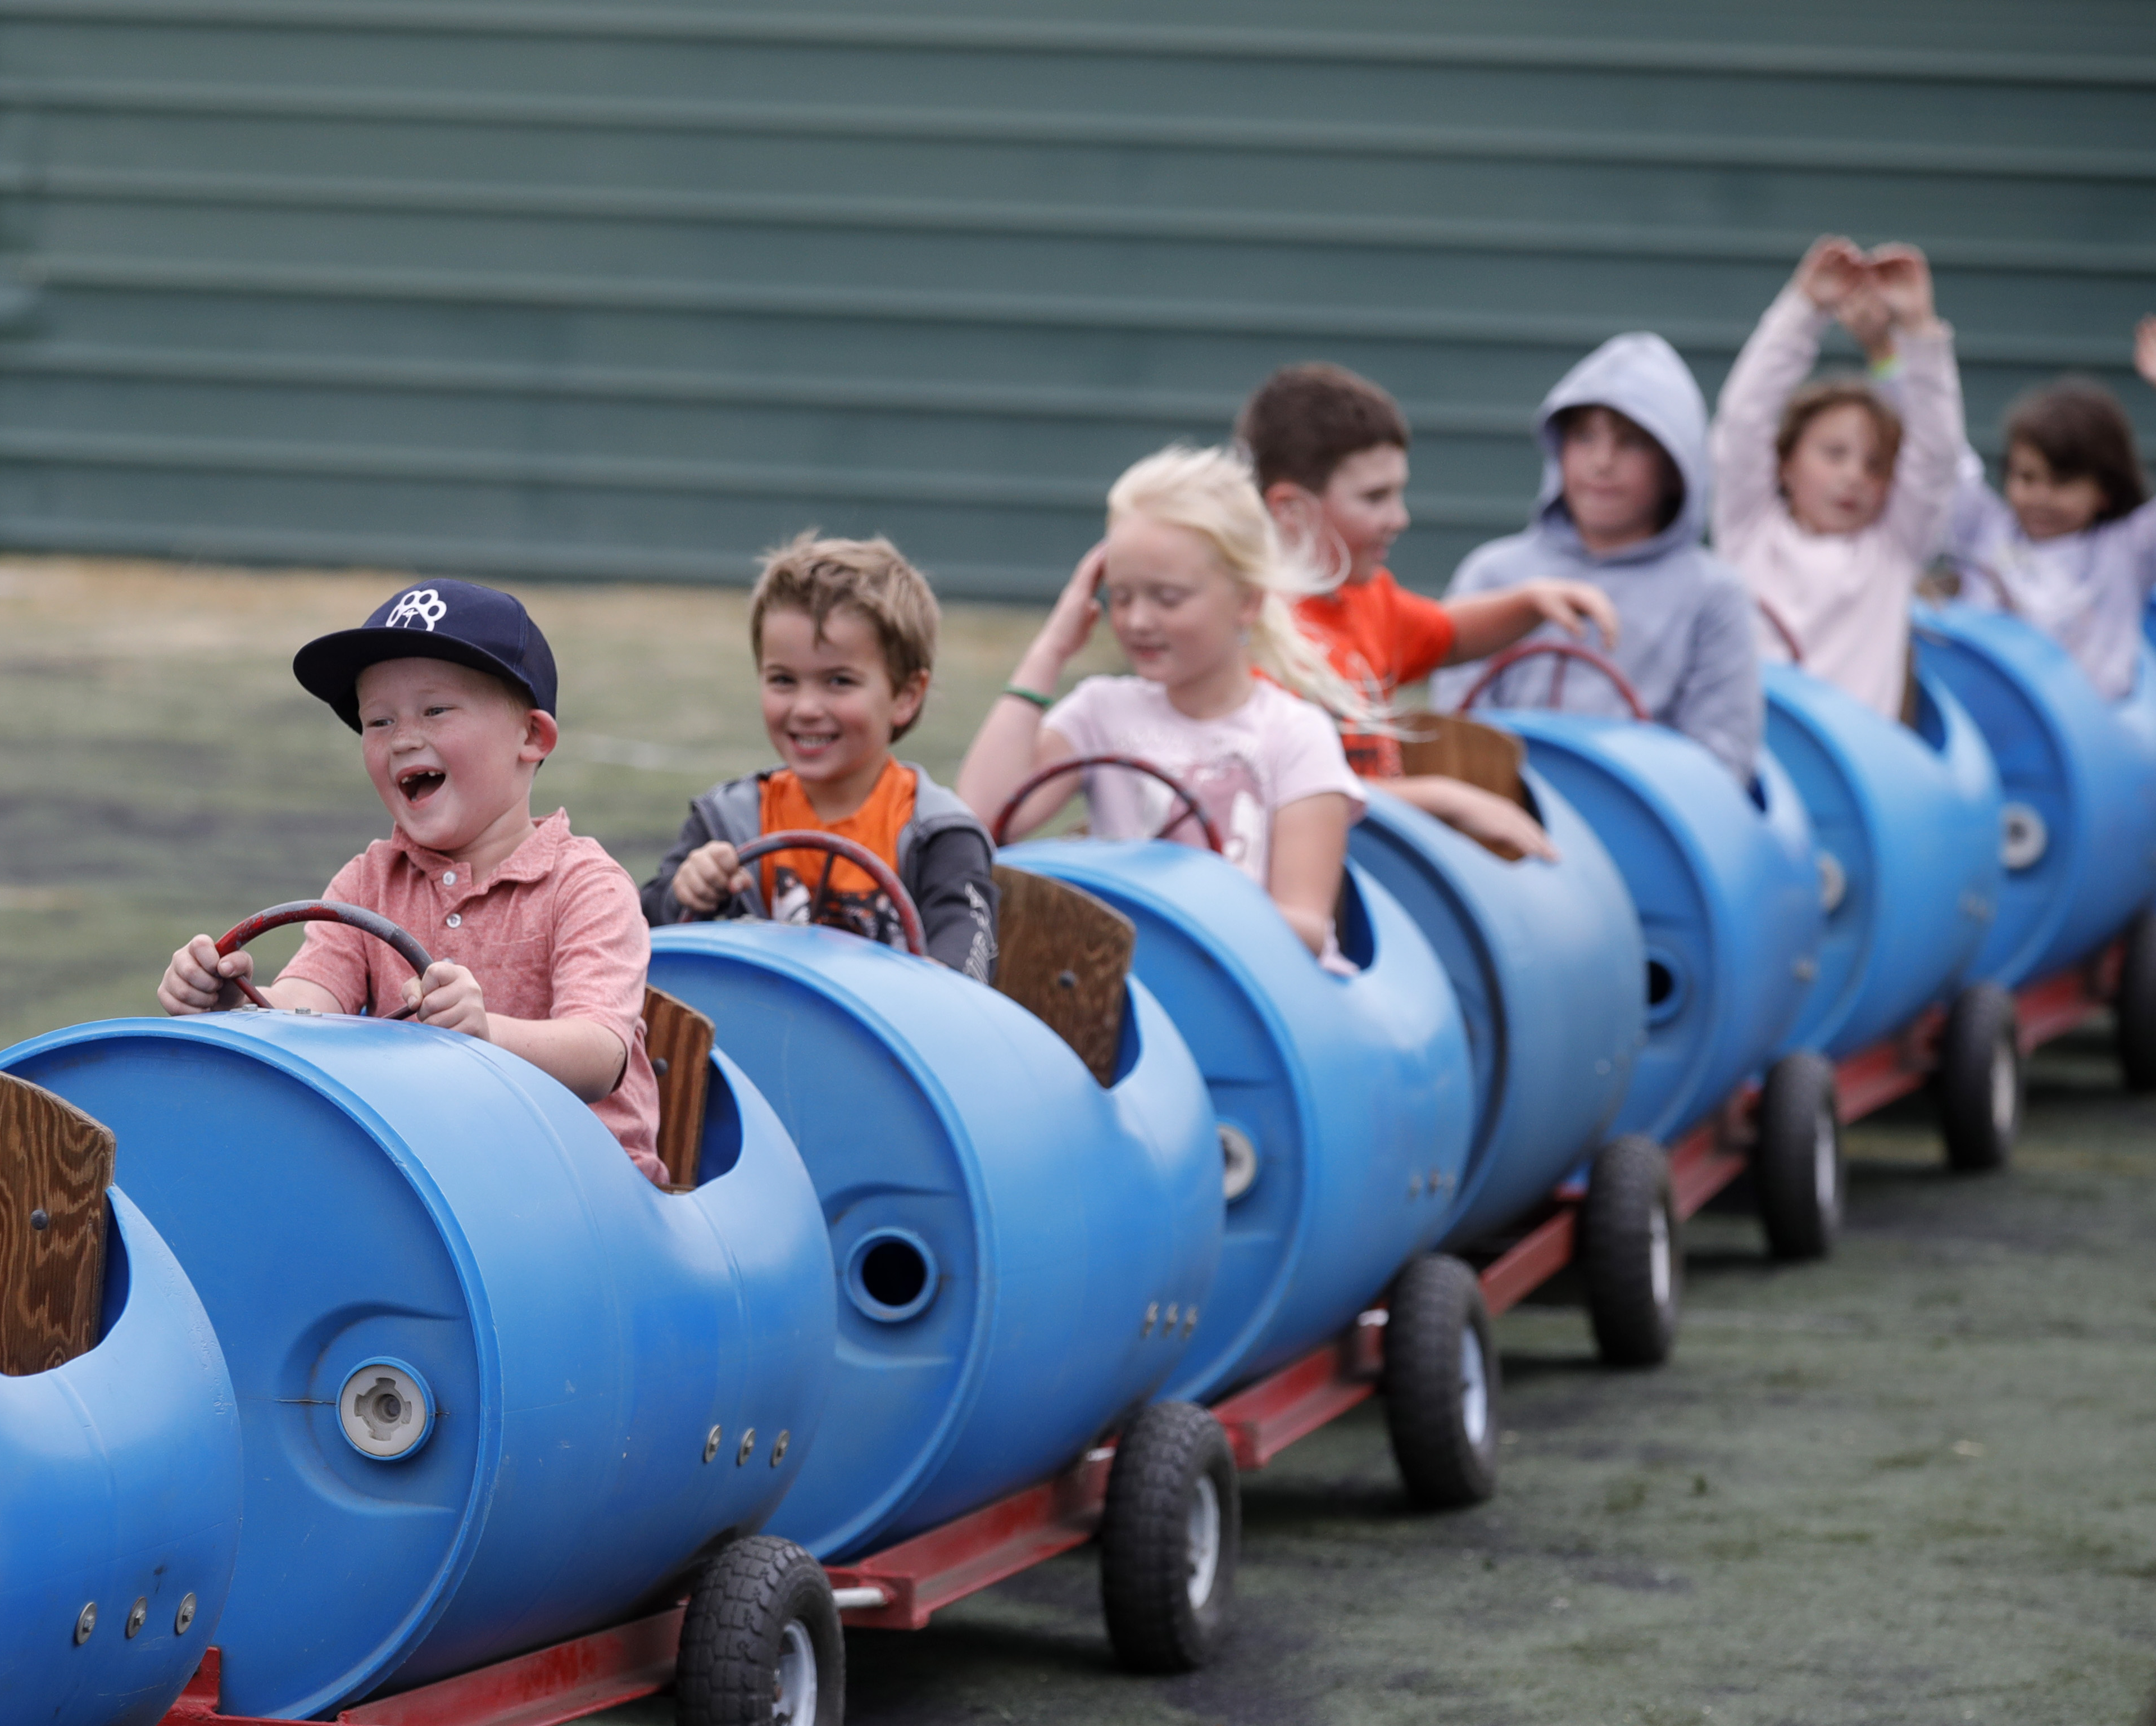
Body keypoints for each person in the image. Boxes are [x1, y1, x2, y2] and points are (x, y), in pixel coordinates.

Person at [156, 579, 667, 1185]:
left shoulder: (586, 884)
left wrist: (486, 1033)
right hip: (429, 1185)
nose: (402, 738)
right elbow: (309, 1009)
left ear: (532, 737)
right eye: (378, 720)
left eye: (435, 710)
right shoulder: (367, 882)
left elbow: (600, 1054)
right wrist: (241, 1004)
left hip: (584, 1189)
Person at [955, 444, 1364, 959]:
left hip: (1256, 991)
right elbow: (979, 820)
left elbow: (1304, 924)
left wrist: (1175, 916)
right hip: (1127, 987)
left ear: (1248, 600)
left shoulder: (1295, 733)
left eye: (1167, 598)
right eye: (1121, 596)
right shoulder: (1101, 711)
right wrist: (1051, 647)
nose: (1138, 621)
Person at [1240, 361, 1630, 861]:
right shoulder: (1256, 636)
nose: (1398, 519)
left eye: (1397, 492)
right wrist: (1444, 799)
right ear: (1289, 509)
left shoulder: (1366, 597)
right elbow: (1289, 796)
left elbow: (1449, 633)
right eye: (1374, 498)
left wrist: (1530, 601)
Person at [641, 533, 996, 978]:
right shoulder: (728, 821)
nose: (806, 708)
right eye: (783, 680)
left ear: (906, 695)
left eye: (839, 681)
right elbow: (641, 941)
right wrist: (685, 892)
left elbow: (966, 974)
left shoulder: (940, 834)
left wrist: (933, 981)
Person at [1442, 333, 1764, 784]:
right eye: (1584, 437)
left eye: (1631, 442)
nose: (1602, 462)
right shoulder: (1492, 572)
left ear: (1678, 466)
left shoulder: (1713, 593)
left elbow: (1723, 760)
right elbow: (1456, 732)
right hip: (1500, 823)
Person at [1710, 238, 1964, 720]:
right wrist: (1804, 309)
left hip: (1859, 783)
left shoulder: (1894, 547)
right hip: (1753, 777)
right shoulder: (1749, 529)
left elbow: (1936, 455)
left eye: (1875, 464)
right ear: (1785, 463)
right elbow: (1744, 418)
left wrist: (1918, 328)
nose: (1853, 475)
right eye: (1834, 454)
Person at [1948, 315, 2156, 700]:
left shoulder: (2129, 550)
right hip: (1991, 733)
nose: (2040, 497)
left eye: (2063, 482)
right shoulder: (1983, 529)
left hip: (2091, 746)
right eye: (2027, 478)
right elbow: (1936, 455)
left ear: (2105, 491)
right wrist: (1892, 352)